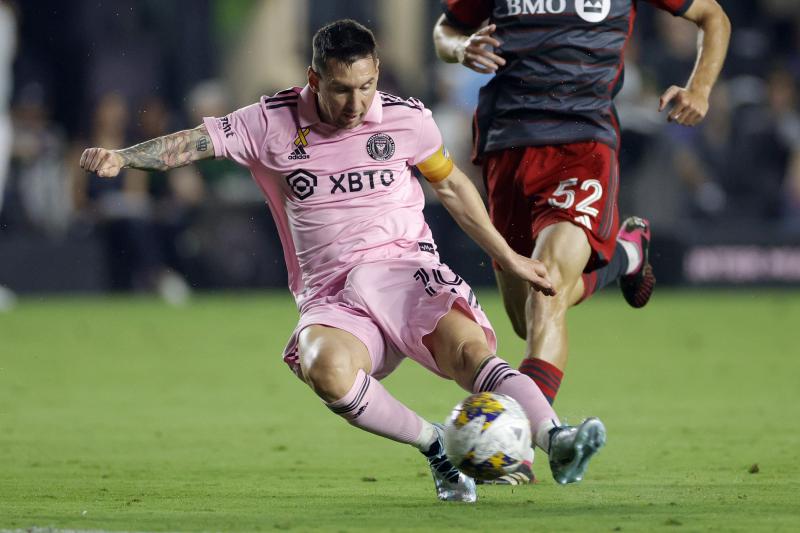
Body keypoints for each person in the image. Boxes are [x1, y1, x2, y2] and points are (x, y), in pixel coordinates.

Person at [80, 19, 606, 501]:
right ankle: (438, 449)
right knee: (325, 368)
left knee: (470, 353)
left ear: (376, 73)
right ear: (314, 79)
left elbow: (452, 188)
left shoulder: (406, 119)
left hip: (407, 272)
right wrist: (122, 158)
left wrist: (508, 257)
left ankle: (555, 438)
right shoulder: (271, 121)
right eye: (340, 89)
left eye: (365, 86)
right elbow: (194, 143)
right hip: (332, 294)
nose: (356, 103)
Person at [434, 0, 731, 483]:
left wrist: (700, 87)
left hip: (581, 142)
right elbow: (445, 32)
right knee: (525, 316)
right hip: (506, 145)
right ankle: (627, 254)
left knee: (546, 292)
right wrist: (461, 46)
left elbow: (713, 16)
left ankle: (531, 444)